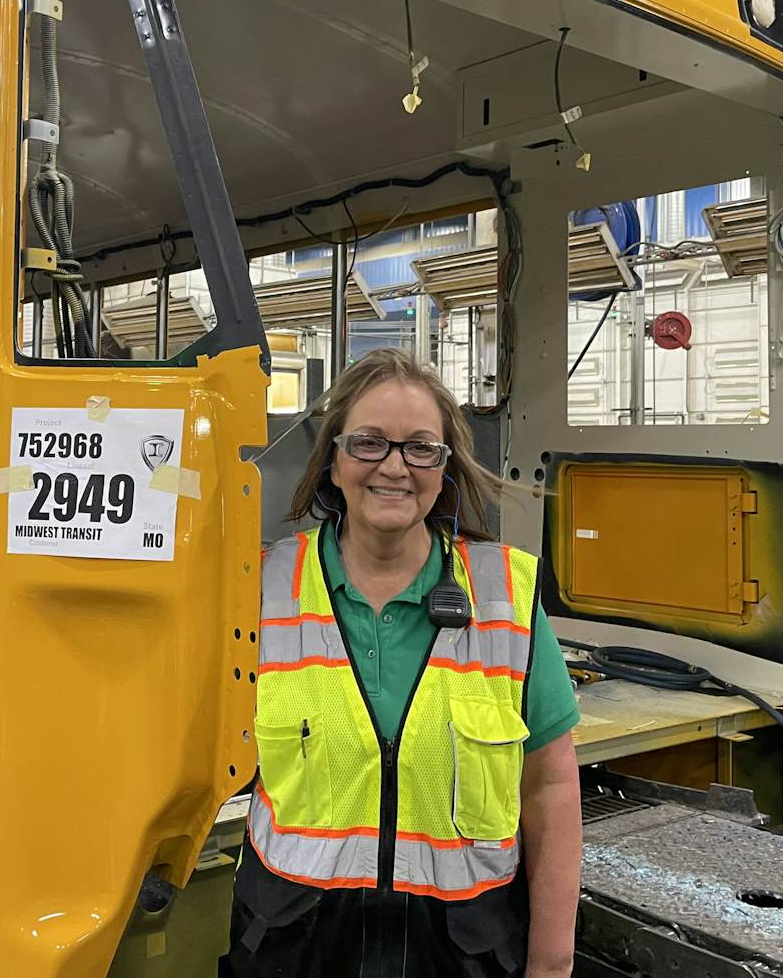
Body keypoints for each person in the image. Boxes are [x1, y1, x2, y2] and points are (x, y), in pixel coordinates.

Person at [228, 348, 582, 978]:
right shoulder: (259, 589)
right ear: (334, 460)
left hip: (463, 954)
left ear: (445, 469)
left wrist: (551, 964)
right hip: (291, 949)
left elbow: (550, 788)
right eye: (368, 442)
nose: (394, 466)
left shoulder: (506, 598)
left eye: (420, 448)